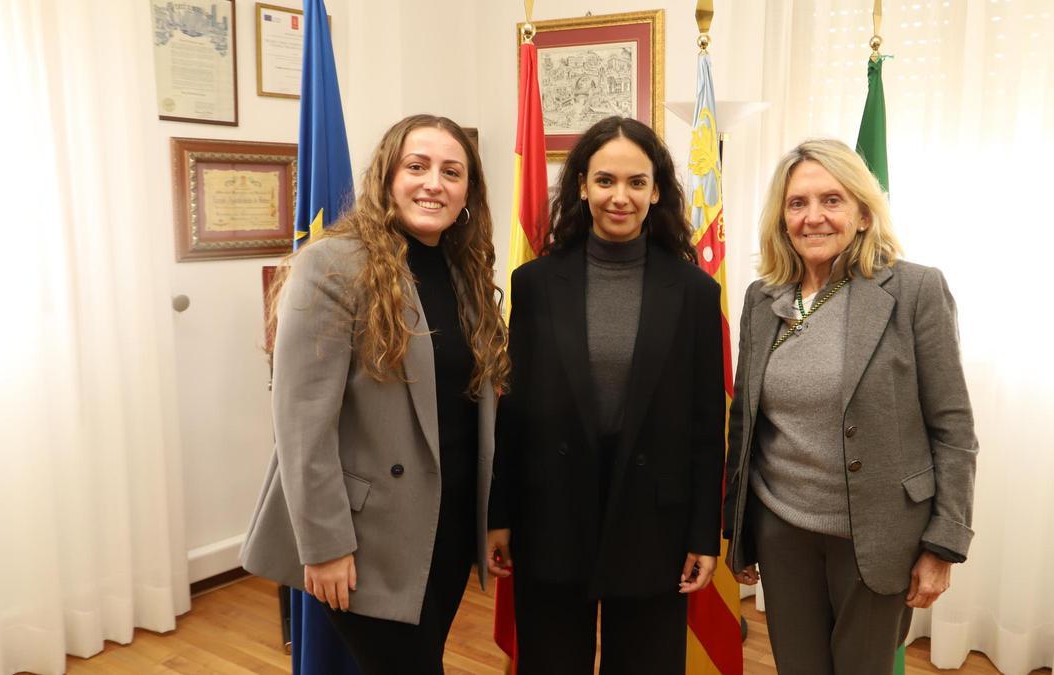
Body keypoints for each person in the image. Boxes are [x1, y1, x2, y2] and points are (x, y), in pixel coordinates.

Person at [240, 114, 508, 675]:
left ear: (469, 193)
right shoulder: (332, 264)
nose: (434, 183)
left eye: (451, 172)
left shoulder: (463, 271)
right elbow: (301, 426)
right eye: (417, 166)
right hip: (365, 539)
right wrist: (324, 545)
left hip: (447, 526)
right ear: (387, 176)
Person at [722, 139, 978, 674]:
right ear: (782, 216)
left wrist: (944, 544)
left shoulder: (914, 290)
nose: (813, 217)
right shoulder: (761, 297)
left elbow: (952, 428)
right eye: (797, 203)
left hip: (880, 534)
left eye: (831, 200)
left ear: (863, 213)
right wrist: (739, 528)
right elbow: (745, 421)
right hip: (783, 529)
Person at [486, 116, 725, 675]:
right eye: (605, 181)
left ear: (657, 189)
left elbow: (705, 424)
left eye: (636, 182)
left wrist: (701, 534)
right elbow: (514, 414)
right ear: (581, 187)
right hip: (552, 515)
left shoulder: (694, 292)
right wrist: (500, 513)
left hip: (654, 524)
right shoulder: (536, 284)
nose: (620, 197)